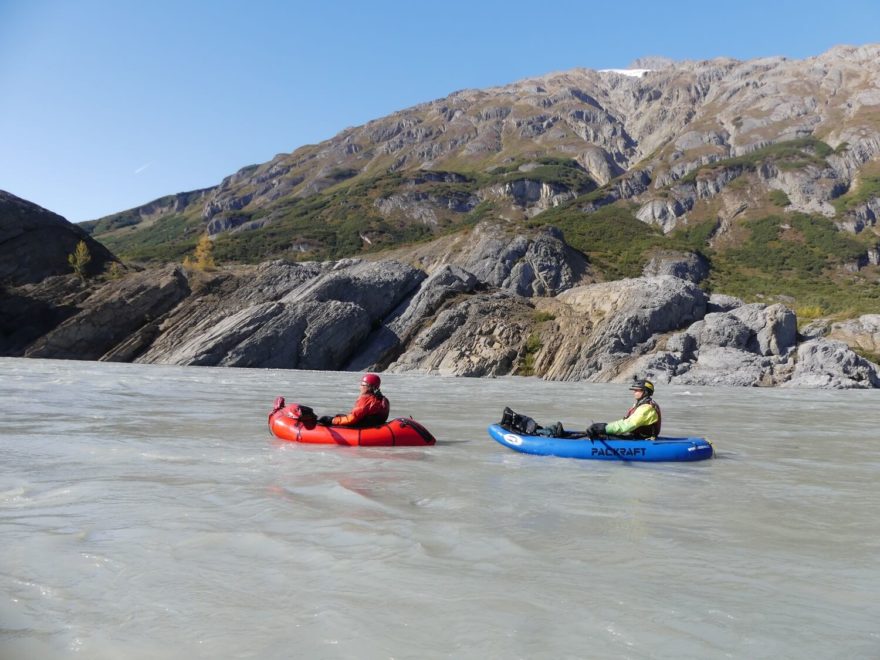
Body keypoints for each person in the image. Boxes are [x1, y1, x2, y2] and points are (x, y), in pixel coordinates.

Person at [587, 379, 661, 439]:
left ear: (645, 392)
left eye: (637, 390)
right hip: (636, 436)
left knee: (601, 436)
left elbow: (628, 425)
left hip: (642, 439)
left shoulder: (646, 408)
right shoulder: (640, 405)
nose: (634, 393)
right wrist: (606, 426)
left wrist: (604, 428)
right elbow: (625, 421)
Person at [318, 373, 390, 427]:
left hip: (363, 428)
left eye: (362, 384)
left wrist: (332, 420)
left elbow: (352, 419)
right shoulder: (383, 399)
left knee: (326, 419)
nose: (360, 387)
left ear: (370, 387)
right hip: (373, 426)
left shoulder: (366, 400)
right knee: (339, 416)